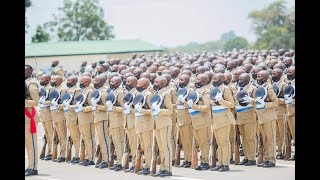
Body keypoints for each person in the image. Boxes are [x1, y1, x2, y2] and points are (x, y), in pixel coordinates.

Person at [209, 73, 235, 172]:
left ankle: (225, 164)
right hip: (215, 119)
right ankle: (220, 163)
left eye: (215, 78)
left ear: (221, 79)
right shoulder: (212, 89)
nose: (213, 79)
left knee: (224, 142)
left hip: (224, 118)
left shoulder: (226, 89)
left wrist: (221, 100)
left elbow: (232, 104)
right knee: (219, 143)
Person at [185, 73, 211, 171]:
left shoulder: (205, 92)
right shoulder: (194, 90)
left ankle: (205, 162)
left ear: (204, 81)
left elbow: (207, 108)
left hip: (203, 121)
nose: (196, 81)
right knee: (199, 142)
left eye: (199, 79)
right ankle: (202, 160)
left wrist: (193, 106)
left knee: (204, 142)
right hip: (195, 119)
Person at [149, 76, 174, 177]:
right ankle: (162, 168)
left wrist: (160, 110)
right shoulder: (156, 94)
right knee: (161, 147)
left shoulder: (166, 95)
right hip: (156, 123)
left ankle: (168, 169)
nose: (154, 83)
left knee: (166, 146)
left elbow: (170, 110)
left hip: (164, 123)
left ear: (163, 84)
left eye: (157, 82)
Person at [254, 70, 279, 167]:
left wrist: (265, 104)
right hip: (260, 117)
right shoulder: (258, 87)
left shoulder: (269, 87)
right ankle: (266, 159)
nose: (257, 78)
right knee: (264, 139)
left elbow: (275, 102)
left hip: (269, 117)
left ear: (264, 78)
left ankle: (271, 160)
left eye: (259, 76)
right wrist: (251, 100)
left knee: (270, 139)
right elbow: (257, 101)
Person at [234, 73, 257, 166]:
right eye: (239, 78)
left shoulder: (253, 88)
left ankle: (251, 158)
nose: (239, 80)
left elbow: (257, 101)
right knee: (243, 138)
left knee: (250, 138)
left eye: (241, 78)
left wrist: (251, 100)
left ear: (247, 79)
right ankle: (246, 157)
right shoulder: (238, 88)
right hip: (239, 115)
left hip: (249, 116)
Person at [73, 75, 95, 166]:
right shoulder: (82, 91)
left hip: (87, 118)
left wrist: (84, 108)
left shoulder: (90, 92)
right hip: (80, 118)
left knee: (89, 138)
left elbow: (92, 106)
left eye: (82, 81)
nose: (80, 83)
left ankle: (90, 158)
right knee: (85, 138)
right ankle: (86, 156)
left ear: (86, 82)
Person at [133, 78, 154, 175]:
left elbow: (153, 110)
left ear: (145, 85)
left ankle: (149, 166)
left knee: (148, 146)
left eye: (140, 83)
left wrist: (142, 110)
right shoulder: (138, 94)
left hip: (146, 124)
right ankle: (142, 165)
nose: (137, 85)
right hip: (138, 123)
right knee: (141, 146)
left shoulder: (148, 95)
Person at [106, 76, 126, 171]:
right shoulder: (112, 92)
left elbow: (124, 108)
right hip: (112, 121)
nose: (111, 82)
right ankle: (118, 161)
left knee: (119, 142)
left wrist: (113, 108)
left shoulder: (120, 93)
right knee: (115, 142)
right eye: (111, 81)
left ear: (118, 83)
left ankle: (120, 162)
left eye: (113, 81)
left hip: (118, 122)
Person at [91, 75, 110, 168]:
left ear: (102, 82)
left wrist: (97, 106)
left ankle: (106, 160)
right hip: (97, 118)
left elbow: (107, 108)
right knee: (101, 141)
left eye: (97, 80)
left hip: (102, 118)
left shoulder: (104, 93)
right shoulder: (97, 92)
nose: (95, 81)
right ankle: (103, 159)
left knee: (104, 140)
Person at [175, 74, 194, 168]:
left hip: (187, 119)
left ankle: (190, 160)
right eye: (179, 79)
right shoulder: (179, 91)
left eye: (182, 80)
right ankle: (186, 159)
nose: (179, 81)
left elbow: (191, 105)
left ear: (186, 81)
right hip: (180, 119)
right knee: (184, 141)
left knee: (188, 140)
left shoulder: (190, 92)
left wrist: (184, 101)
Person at [62, 75, 81, 164]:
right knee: (73, 137)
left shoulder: (77, 91)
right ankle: (76, 154)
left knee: (77, 137)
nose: (68, 82)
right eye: (67, 80)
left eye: (70, 81)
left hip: (74, 116)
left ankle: (78, 155)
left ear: (74, 82)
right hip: (68, 116)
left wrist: (68, 106)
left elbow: (78, 105)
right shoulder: (67, 90)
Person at [25, 65, 40, 176]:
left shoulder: (31, 84)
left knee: (31, 144)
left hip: (28, 117)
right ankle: (29, 166)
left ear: (29, 72)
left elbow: (35, 101)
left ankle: (33, 167)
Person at [50, 75, 67, 163]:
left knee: (62, 136)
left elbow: (65, 103)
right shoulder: (54, 89)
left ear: (59, 81)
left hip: (60, 115)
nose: (52, 81)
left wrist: (58, 105)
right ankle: (59, 153)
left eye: (54, 80)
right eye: (52, 79)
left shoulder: (62, 90)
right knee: (58, 136)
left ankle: (63, 155)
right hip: (54, 115)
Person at [122, 76, 138, 172]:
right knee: (131, 144)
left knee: (136, 144)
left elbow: (139, 109)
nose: (126, 83)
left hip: (134, 122)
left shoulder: (136, 94)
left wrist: (130, 109)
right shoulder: (127, 93)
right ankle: (134, 163)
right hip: (127, 122)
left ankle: (137, 163)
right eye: (126, 81)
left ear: (134, 83)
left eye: (129, 82)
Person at [271, 68, 287, 160]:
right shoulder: (272, 85)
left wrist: (277, 100)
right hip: (273, 112)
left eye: (275, 73)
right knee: (276, 133)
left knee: (282, 133)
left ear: (280, 75)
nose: (273, 75)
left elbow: (287, 100)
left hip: (281, 111)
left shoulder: (284, 85)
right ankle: (279, 150)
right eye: (272, 73)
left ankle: (283, 151)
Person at [38, 74, 54, 161]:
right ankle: (48, 150)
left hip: (49, 113)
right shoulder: (42, 89)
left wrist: (46, 101)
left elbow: (53, 101)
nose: (41, 80)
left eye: (42, 78)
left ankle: (51, 152)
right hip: (43, 114)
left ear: (47, 80)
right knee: (46, 134)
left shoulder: (50, 89)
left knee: (51, 133)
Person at [284, 66, 295, 161]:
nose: (288, 73)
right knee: (293, 133)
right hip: (289, 111)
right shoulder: (288, 83)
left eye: (290, 72)